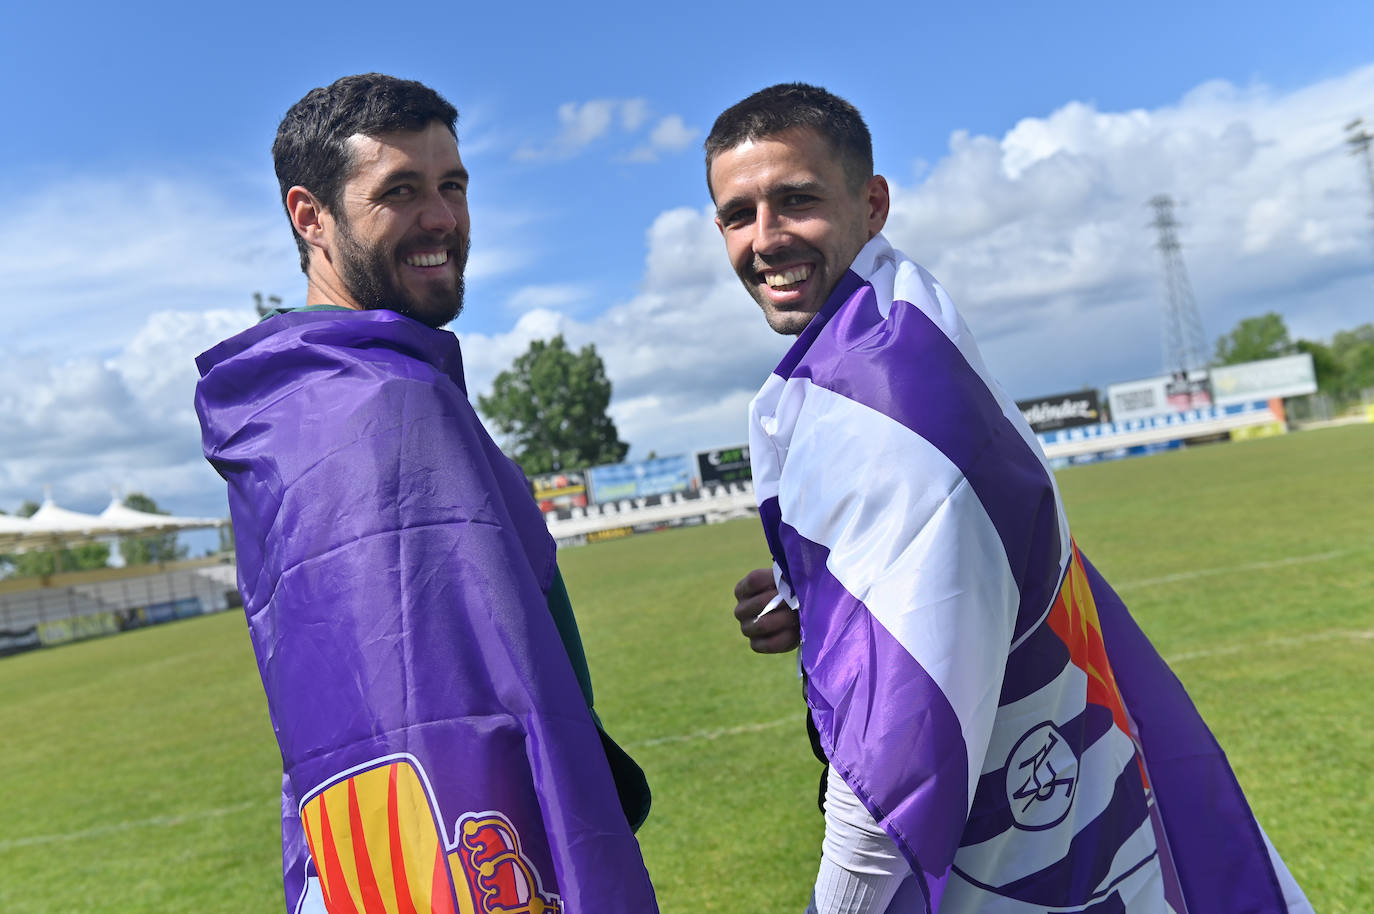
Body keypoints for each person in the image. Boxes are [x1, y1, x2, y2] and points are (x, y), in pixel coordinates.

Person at [709, 83, 1312, 914]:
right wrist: (822, 595)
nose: (766, 239)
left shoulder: (885, 405)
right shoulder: (900, 325)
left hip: (1014, 856)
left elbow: (891, 777)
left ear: (872, 202)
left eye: (797, 201)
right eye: (739, 215)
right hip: (1066, 817)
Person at [195, 74, 656, 914]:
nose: (441, 217)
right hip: (452, 864)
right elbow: (434, 713)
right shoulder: (380, 405)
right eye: (399, 192)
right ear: (311, 216)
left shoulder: (308, 397)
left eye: (453, 185)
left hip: (365, 853)